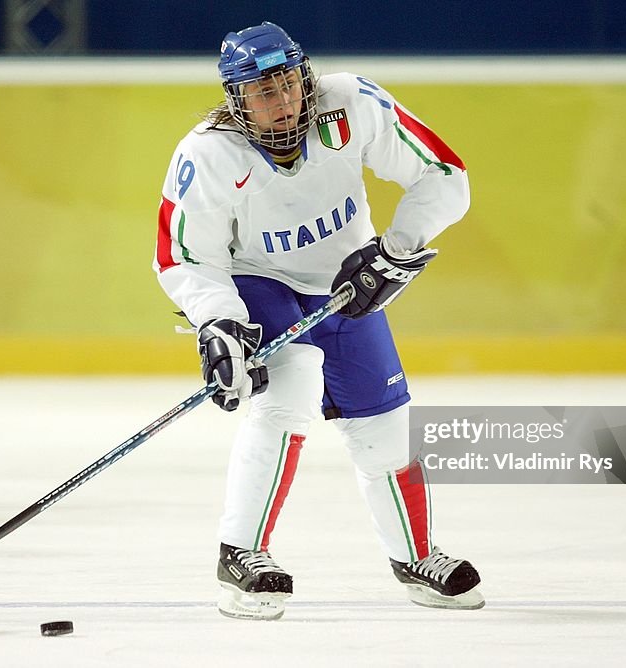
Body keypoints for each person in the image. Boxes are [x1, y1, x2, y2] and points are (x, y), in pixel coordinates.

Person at [153, 21, 482, 620]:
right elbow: (184, 255)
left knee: (386, 425)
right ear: (236, 101)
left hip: (346, 282)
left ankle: (414, 556)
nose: (281, 104)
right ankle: (241, 555)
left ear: (305, 77)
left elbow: (445, 175)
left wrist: (397, 250)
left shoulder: (353, 103)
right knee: (292, 388)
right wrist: (220, 325)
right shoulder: (207, 153)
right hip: (259, 280)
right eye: (262, 92)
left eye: (287, 84)